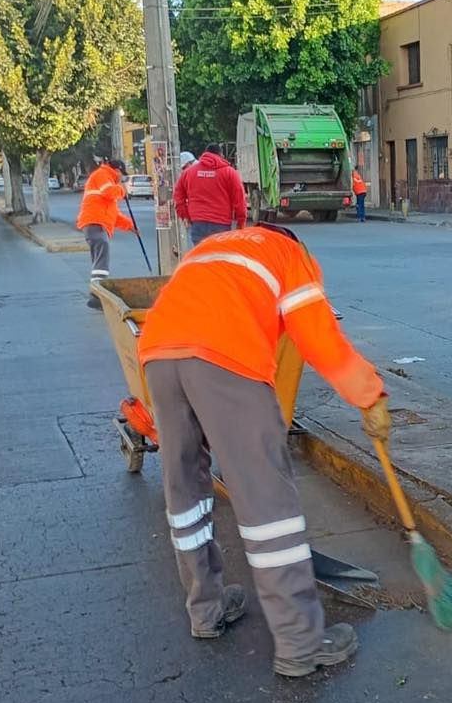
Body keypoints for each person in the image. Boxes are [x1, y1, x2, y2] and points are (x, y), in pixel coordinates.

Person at [136, 222, 390, 676]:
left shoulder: (213, 247)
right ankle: (300, 643)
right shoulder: (290, 257)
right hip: (225, 359)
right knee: (267, 501)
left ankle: (206, 610)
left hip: (158, 353)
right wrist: (368, 396)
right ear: (298, 244)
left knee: (185, 491)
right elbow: (320, 339)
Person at [75, 155, 131, 309]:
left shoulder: (106, 178)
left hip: (98, 223)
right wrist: (122, 190)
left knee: (100, 259)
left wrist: (130, 226)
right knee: (101, 261)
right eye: (122, 175)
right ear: (117, 170)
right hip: (94, 222)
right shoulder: (102, 175)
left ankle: (97, 293)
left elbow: (115, 215)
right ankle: (96, 296)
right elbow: (110, 192)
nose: (121, 179)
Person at [174, 143, 248, 245]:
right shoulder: (229, 173)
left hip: (198, 223)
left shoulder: (188, 172)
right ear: (221, 155)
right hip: (221, 224)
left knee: (201, 257)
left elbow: (178, 196)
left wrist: (185, 215)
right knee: (218, 257)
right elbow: (240, 200)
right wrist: (240, 224)